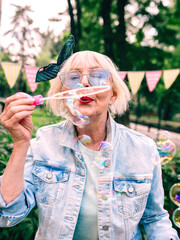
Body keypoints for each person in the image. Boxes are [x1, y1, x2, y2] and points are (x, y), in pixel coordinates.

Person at [0, 35, 179, 240]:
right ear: (63, 95)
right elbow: (9, 214)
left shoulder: (143, 148)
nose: (84, 82)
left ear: (113, 94)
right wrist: (20, 143)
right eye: (73, 78)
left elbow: (155, 219)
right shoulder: (43, 143)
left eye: (97, 76)